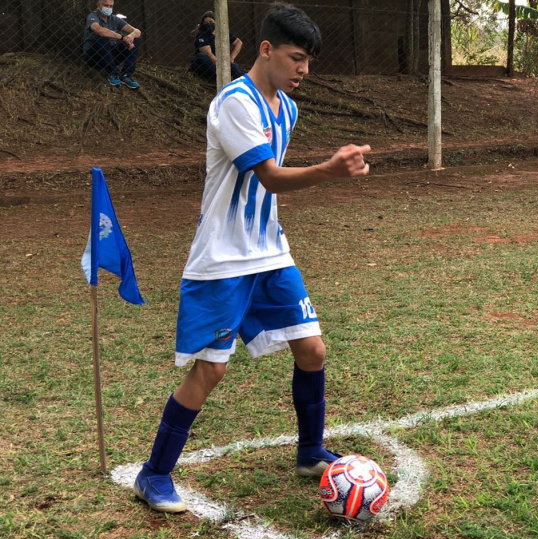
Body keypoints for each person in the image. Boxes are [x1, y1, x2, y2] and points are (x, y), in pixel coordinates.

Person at [133, 3, 372, 513]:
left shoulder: (287, 106)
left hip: (270, 251)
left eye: (308, 61)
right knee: (209, 372)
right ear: (266, 49)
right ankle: (153, 474)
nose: (304, 69)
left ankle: (310, 453)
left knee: (313, 350)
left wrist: (324, 170)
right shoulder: (233, 103)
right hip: (222, 260)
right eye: (296, 58)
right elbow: (268, 176)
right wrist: (330, 169)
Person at [83, 0, 142, 89]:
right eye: (106, 5)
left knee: (135, 40)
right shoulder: (92, 16)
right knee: (102, 36)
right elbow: (99, 30)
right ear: (98, 4)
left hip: (111, 55)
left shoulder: (114, 19)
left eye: (111, 6)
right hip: (94, 55)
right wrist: (122, 37)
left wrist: (130, 36)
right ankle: (112, 73)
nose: (108, 8)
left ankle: (126, 75)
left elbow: (137, 31)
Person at [190, 11, 244, 81]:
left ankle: (243, 83)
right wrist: (222, 66)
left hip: (221, 64)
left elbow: (238, 42)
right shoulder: (201, 34)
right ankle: (219, 78)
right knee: (202, 57)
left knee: (234, 66)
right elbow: (209, 54)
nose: (209, 24)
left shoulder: (222, 33)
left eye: (211, 22)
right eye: (206, 23)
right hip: (209, 63)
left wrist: (232, 58)